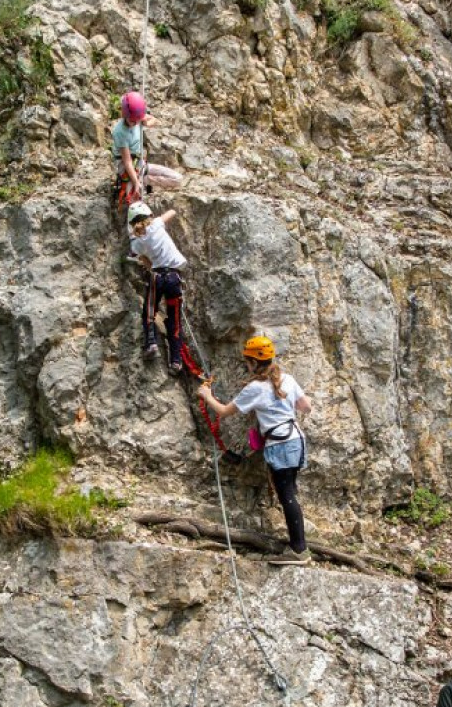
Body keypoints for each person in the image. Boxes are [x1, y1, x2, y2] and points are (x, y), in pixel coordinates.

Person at [198, 335, 313, 565]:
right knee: (290, 491)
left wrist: (206, 396)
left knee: (287, 494)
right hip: (295, 439)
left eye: (247, 362)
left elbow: (223, 411)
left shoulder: (255, 388)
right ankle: (299, 546)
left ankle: (299, 550)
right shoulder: (287, 379)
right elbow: (306, 407)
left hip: (279, 445)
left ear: (252, 363)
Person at [128, 201, 186, 372]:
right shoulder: (157, 226)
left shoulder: (136, 244)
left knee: (149, 312)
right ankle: (176, 361)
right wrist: (159, 218)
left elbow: (147, 263)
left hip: (157, 277)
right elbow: (173, 212)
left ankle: (151, 343)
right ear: (149, 216)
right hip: (174, 277)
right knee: (174, 319)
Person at [112, 91, 182, 209]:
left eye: (137, 120)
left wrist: (147, 123)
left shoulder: (137, 117)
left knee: (178, 179)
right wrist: (135, 182)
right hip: (126, 167)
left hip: (141, 165)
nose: (135, 123)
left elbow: (155, 120)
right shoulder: (120, 132)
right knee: (134, 206)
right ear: (125, 114)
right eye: (132, 121)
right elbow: (127, 161)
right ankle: (140, 181)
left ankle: (145, 180)